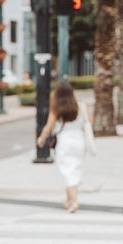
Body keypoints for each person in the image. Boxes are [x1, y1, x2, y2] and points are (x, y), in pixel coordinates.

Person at [37, 81, 95, 213]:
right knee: (74, 168)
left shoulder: (56, 108)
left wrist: (41, 139)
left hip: (64, 141)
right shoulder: (80, 106)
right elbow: (90, 122)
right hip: (80, 141)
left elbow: (48, 127)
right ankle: (68, 200)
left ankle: (74, 202)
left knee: (68, 171)